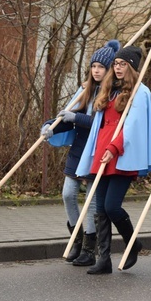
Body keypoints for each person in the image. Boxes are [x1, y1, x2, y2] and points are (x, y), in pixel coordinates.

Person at [75, 45, 151, 274]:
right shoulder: (108, 89)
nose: (118, 67)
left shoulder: (140, 92)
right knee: (100, 209)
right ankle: (104, 259)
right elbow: (99, 124)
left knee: (112, 206)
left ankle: (132, 243)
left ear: (132, 67)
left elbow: (133, 127)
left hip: (121, 154)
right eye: (117, 63)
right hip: (102, 153)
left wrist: (114, 147)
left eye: (124, 64)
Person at [42, 39, 119, 266]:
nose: (96, 71)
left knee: (92, 201)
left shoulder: (111, 94)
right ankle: (75, 238)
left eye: (101, 67)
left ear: (109, 70)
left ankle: (89, 247)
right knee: (68, 194)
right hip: (79, 148)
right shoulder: (84, 90)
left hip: (97, 151)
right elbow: (68, 116)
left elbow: (100, 122)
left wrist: (74, 117)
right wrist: (50, 127)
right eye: (93, 66)